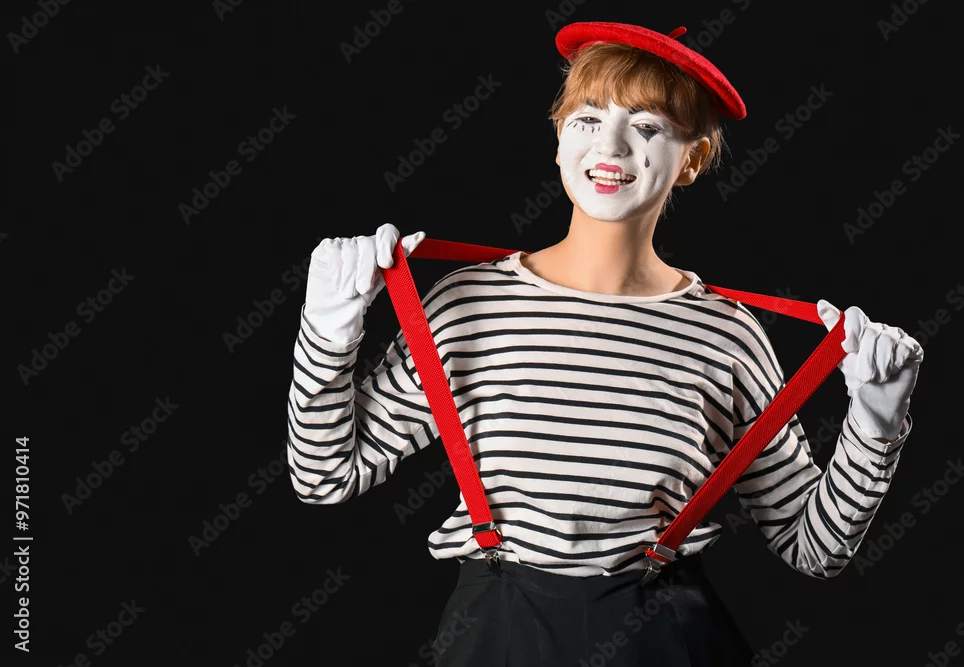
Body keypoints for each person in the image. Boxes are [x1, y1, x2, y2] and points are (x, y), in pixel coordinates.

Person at [286, 21, 924, 666]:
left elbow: (814, 549)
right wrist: (330, 328)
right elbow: (324, 476)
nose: (610, 145)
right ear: (560, 138)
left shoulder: (727, 335)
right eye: (587, 119)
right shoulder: (466, 303)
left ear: (693, 159)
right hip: (496, 639)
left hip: (665, 643)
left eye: (647, 127)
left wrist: (876, 423)